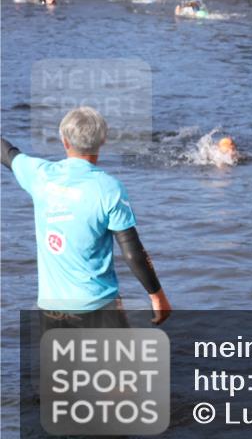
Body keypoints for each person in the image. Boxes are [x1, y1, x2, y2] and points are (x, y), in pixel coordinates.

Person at [1, 107, 172, 329]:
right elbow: (132, 252)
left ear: (64, 141)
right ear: (103, 140)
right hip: (99, 307)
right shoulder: (110, 188)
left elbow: (7, 153)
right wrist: (157, 297)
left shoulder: (39, 174)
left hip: (51, 310)